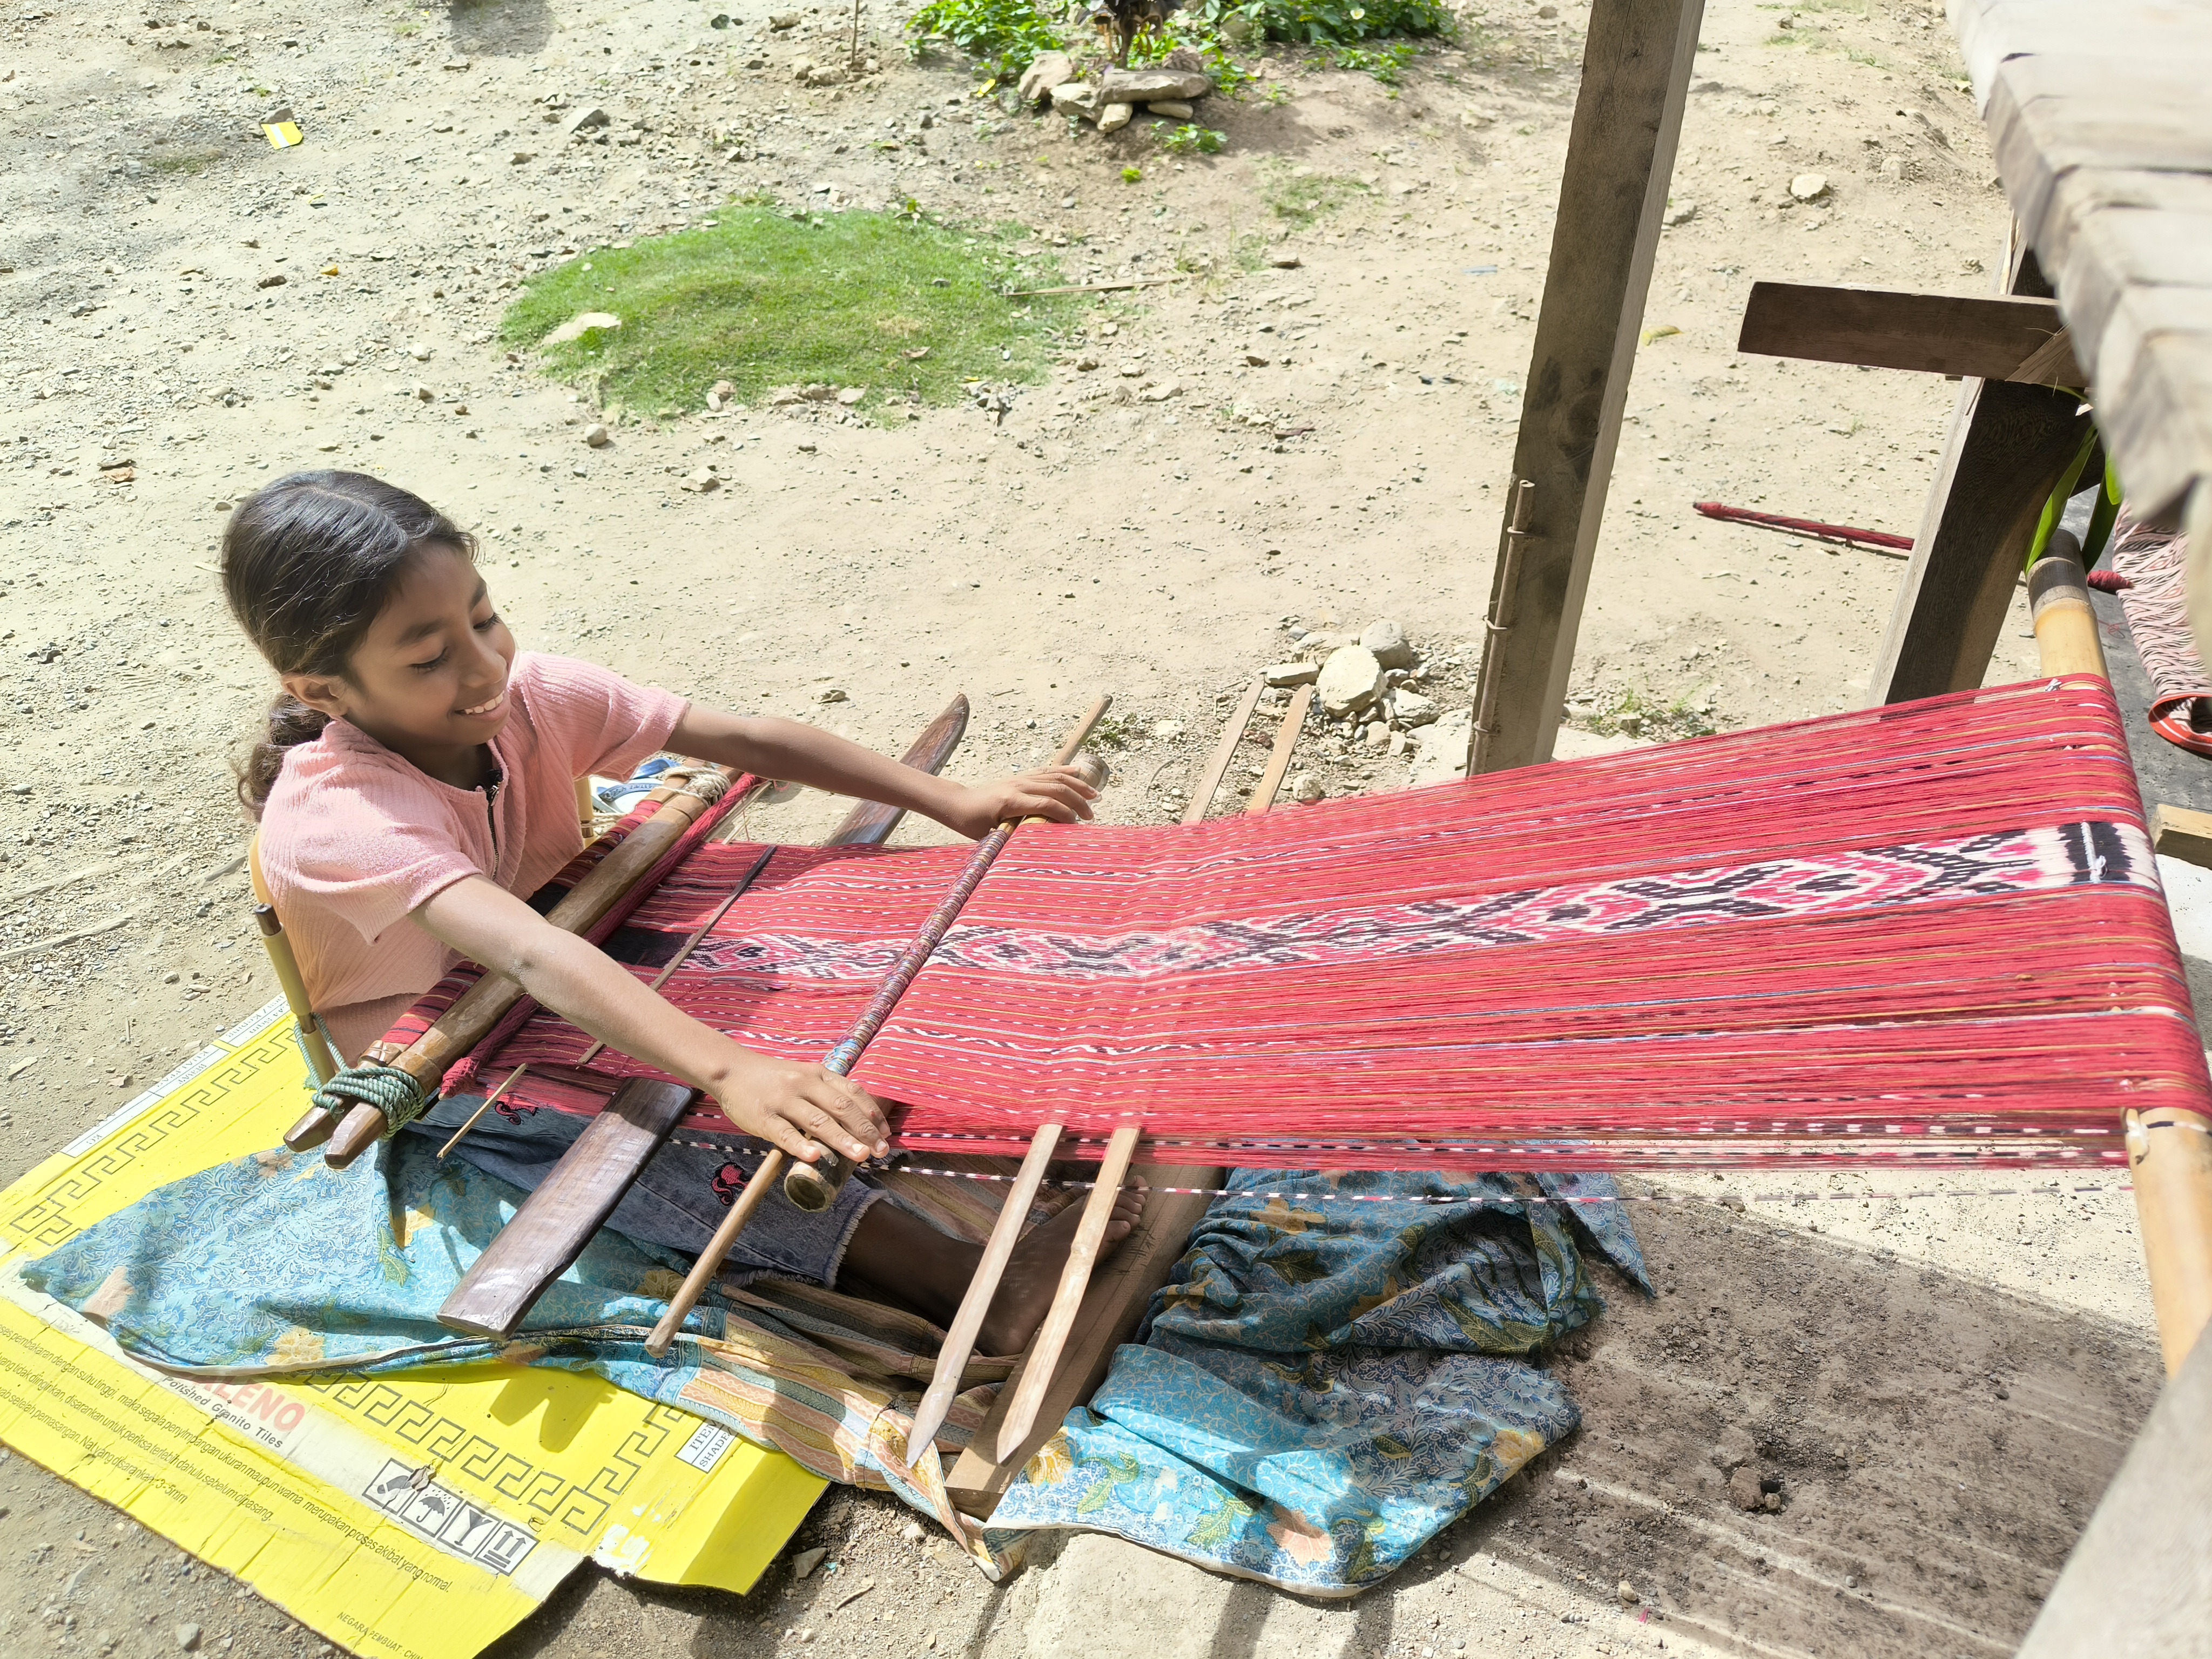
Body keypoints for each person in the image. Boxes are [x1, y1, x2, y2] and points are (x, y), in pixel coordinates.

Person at [223, 470, 1141, 1354]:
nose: (484, 666)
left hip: (585, 938)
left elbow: (741, 739)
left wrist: (951, 800)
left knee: (823, 964)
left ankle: (987, 1124)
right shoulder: (342, 819)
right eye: (429, 658)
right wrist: (731, 1071)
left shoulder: (530, 696)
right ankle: (965, 1282)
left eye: (484, 616)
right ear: (323, 691)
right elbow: (532, 958)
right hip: (449, 1056)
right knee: (654, 1137)